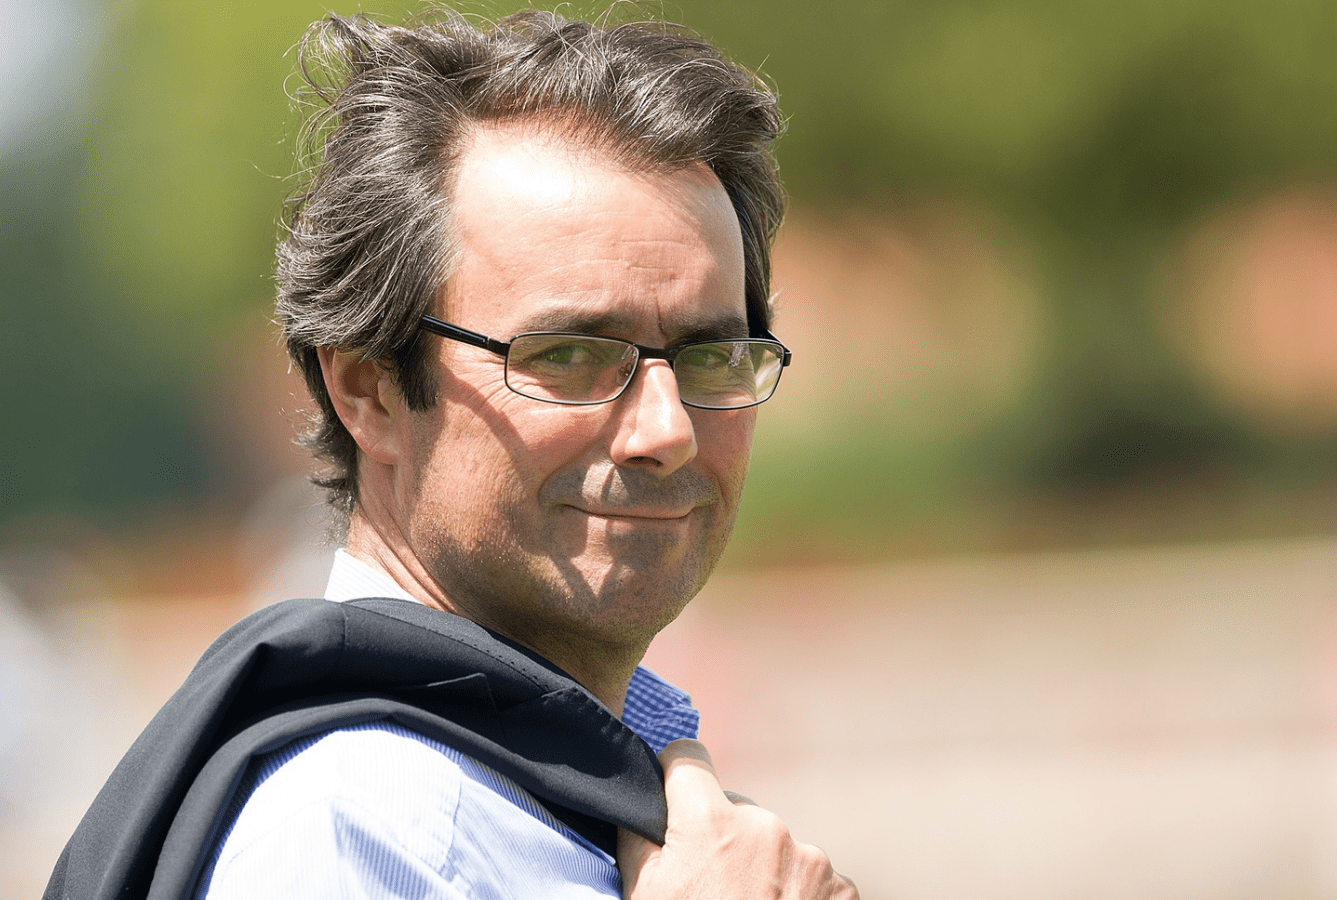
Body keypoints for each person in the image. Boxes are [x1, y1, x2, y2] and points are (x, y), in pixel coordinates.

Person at [46, 7, 857, 899]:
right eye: (570, 355)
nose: (666, 430)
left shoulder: (555, 789)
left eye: (710, 355)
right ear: (371, 391)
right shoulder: (360, 834)